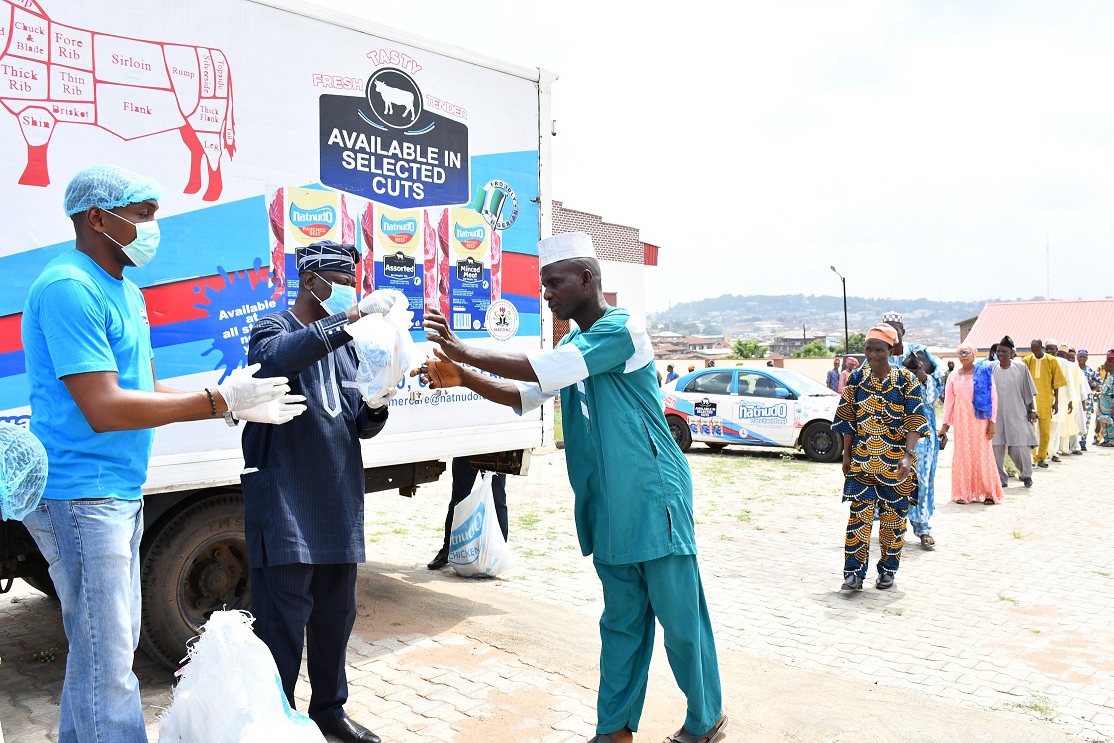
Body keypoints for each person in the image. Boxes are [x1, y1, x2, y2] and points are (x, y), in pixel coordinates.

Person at [412, 232, 727, 743]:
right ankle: (615, 730)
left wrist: (463, 348)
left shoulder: (621, 331)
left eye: (553, 282)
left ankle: (705, 717)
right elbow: (524, 393)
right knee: (621, 624)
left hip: (652, 497)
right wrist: (464, 376)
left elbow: (542, 370)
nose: (546, 293)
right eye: (542, 284)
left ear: (586, 278)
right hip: (607, 506)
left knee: (681, 621)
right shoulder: (570, 346)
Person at [19, 165, 295, 743]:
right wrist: (215, 399)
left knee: (100, 651)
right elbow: (104, 407)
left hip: (117, 489)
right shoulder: (71, 286)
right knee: (110, 660)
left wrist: (228, 401)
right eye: (141, 214)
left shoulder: (123, 289)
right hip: (82, 492)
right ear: (98, 217)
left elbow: (139, 384)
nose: (153, 226)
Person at [240, 241, 400, 743]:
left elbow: (356, 424)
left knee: (336, 617)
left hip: (337, 500)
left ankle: (329, 710)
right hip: (285, 500)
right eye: (341, 278)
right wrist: (349, 316)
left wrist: (378, 403)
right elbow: (274, 363)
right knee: (281, 622)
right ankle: (277, 718)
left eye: (354, 278)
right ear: (311, 280)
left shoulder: (351, 347)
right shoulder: (273, 327)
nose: (351, 287)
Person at [833, 323, 929, 591]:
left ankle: (888, 570)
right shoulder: (856, 379)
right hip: (863, 462)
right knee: (858, 520)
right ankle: (853, 574)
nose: (872, 355)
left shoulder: (906, 381)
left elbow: (914, 421)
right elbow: (847, 420)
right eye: (868, 349)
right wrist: (846, 455)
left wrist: (908, 456)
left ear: (891, 349)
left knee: (892, 521)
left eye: (878, 349)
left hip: (896, 464)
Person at [881, 311, 943, 550]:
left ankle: (923, 527)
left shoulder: (920, 352)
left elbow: (934, 393)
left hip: (921, 431)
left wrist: (921, 376)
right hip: (887, 431)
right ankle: (892, 528)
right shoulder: (876, 354)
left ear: (902, 332)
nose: (890, 333)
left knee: (922, 478)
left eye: (894, 329)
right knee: (889, 479)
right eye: (885, 328)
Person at [939, 344, 1002, 504]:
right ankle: (964, 492)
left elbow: (993, 398)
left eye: (966, 352)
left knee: (982, 453)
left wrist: (992, 421)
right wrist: (944, 426)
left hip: (980, 419)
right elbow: (949, 402)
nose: (963, 355)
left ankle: (988, 493)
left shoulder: (984, 372)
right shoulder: (953, 376)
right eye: (960, 353)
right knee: (963, 454)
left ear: (974, 354)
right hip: (962, 420)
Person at [427, 457, 509, 570]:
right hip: (466, 448)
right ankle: (447, 550)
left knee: (497, 500)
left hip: (495, 449)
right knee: (458, 500)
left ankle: (499, 553)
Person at [991, 337, 1037, 488]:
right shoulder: (991, 368)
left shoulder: (1021, 368)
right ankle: (1000, 480)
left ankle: (1026, 475)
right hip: (995, 416)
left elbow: (1028, 391)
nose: (1001, 354)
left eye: (1004, 351)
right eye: (998, 351)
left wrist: (1032, 409)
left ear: (1011, 353)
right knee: (995, 447)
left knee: (1019, 446)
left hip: (1016, 412)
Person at [1022, 339, 1065, 468]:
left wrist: (1056, 401)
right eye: (1032, 350)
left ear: (1042, 348)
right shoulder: (1027, 360)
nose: (1034, 352)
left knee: (1045, 431)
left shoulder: (1052, 360)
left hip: (1047, 399)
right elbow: (1022, 381)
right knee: (1031, 430)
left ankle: (1042, 458)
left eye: (1037, 350)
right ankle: (1033, 457)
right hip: (1031, 401)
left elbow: (1056, 382)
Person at [1078, 350, 1100, 451]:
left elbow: (1099, 382)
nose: (1081, 359)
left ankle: (1083, 442)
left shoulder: (1091, 370)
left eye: (1083, 357)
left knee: (1086, 421)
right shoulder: (1074, 368)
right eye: (1080, 356)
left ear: (1087, 358)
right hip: (1076, 399)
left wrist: (1092, 388)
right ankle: (1073, 443)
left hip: (1087, 400)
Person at [1096, 350, 1114, 447]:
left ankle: (1112, 441)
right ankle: (1106, 439)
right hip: (1103, 405)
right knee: (1103, 421)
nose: (1104, 367)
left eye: (1106, 365)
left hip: (1110, 405)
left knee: (1110, 423)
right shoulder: (1108, 376)